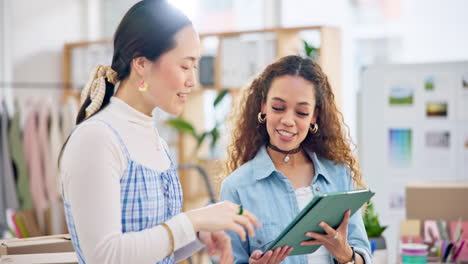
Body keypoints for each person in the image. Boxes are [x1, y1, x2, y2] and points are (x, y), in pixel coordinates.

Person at [59, 1, 260, 263]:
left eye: (195, 67)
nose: (193, 81)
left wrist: (199, 234)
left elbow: (154, 250)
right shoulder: (96, 139)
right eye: (185, 66)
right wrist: (193, 220)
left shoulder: (156, 141)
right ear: (141, 63)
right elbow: (104, 255)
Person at [220, 55, 372, 264]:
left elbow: (364, 254)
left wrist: (346, 255)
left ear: (314, 117)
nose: (288, 120)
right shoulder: (237, 188)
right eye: (278, 108)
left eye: (301, 112)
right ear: (263, 106)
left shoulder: (338, 174)